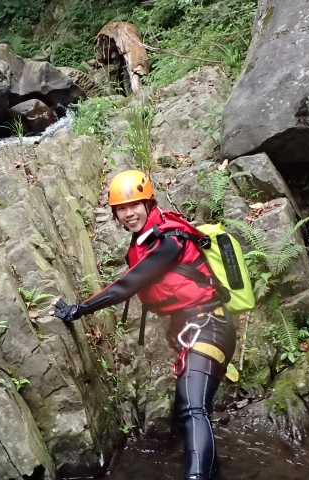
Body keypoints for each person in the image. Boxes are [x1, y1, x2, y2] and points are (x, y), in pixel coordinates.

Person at [52, 170, 235, 480]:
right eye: (121, 209)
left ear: (149, 203)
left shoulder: (170, 240)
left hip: (211, 326)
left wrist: (79, 309)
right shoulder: (147, 239)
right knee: (189, 411)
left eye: (134, 205)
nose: (128, 214)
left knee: (192, 410)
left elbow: (128, 285)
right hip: (197, 330)